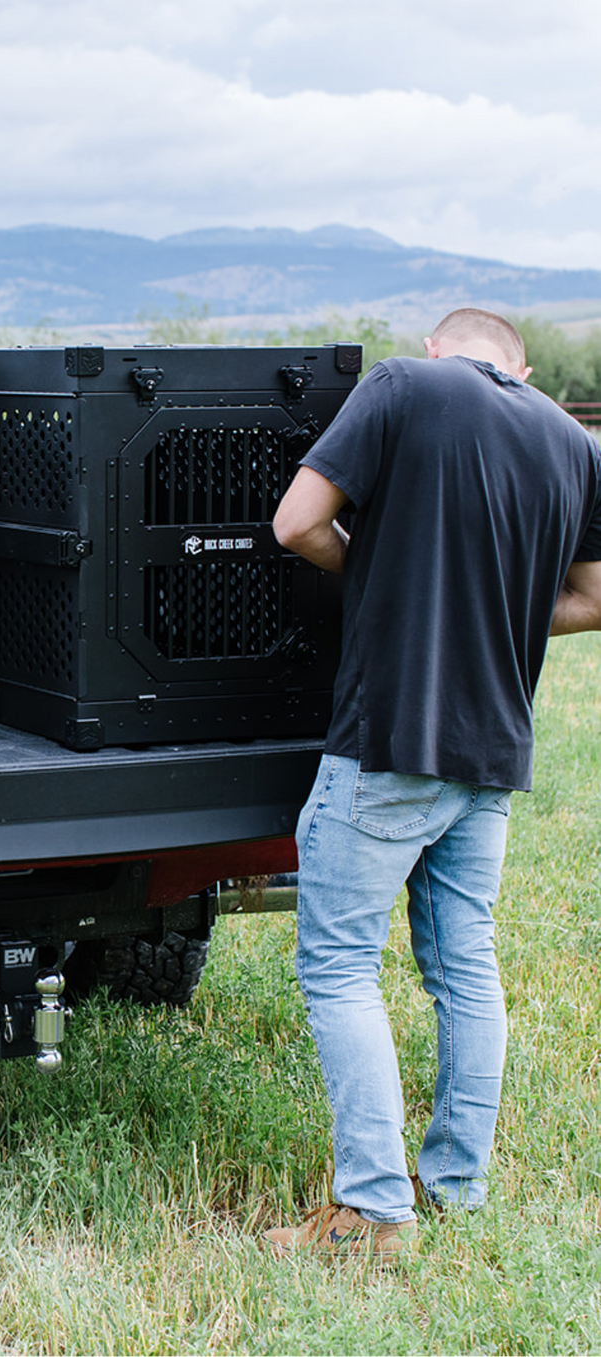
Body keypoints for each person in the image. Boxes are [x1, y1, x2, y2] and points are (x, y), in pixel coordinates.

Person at [264, 307, 601, 1257]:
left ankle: (373, 1210)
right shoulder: (570, 439)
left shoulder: (402, 387)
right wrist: (502, 610)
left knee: (337, 967)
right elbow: (594, 597)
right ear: (520, 365)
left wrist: (370, 568)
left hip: (389, 741)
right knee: (465, 966)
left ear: (437, 348)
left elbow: (297, 522)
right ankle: (457, 1183)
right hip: (493, 751)